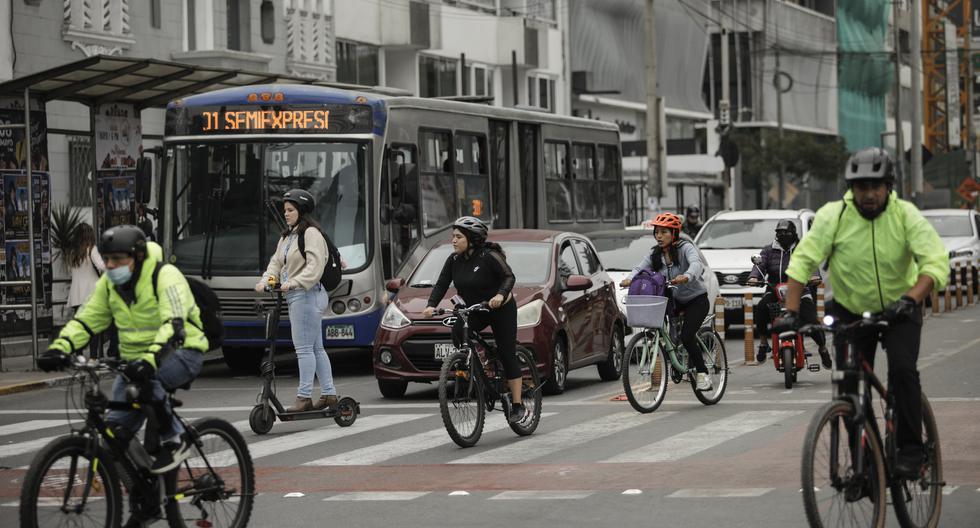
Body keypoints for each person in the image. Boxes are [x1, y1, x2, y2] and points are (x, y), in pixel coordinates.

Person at [774, 147, 948, 479]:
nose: (869, 194)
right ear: (851, 188)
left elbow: (934, 262)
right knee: (848, 385)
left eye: (876, 186)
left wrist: (911, 299)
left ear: (889, 186)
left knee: (902, 370)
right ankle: (863, 464)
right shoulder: (833, 216)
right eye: (861, 186)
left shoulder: (905, 215)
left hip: (901, 308)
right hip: (850, 309)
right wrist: (791, 311)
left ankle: (911, 451)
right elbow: (804, 260)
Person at [38, 225, 208, 474]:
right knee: (115, 434)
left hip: (182, 350)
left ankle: (175, 439)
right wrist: (60, 348)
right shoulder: (108, 284)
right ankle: (148, 495)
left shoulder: (164, 275)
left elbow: (174, 324)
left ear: (138, 257)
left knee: (150, 382)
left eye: (118, 259)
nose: (110, 266)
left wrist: (150, 359)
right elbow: (87, 319)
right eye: (106, 260)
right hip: (134, 361)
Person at [420, 217, 526, 423]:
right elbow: (442, 284)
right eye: (453, 236)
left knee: (506, 353)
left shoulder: (489, 256)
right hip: (474, 309)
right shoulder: (453, 260)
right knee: (458, 332)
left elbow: (509, 277)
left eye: (458, 237)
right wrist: (430, 305)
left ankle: (517, 404)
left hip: (499, 308)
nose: (453, 240)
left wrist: (500, 296)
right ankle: (472, 372)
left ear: (472, 239)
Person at [256, 188, 337, 413]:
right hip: (297, 295)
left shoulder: (311, 233)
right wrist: (266, 280)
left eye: (290, 210)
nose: (286, 214)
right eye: (285, 210)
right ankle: (330, 394)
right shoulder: (287, 237)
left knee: (303, 349)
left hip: (307, 294)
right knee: (315, 348)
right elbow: (276, 263)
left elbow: (315, 264)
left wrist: (295, 282)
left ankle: (304, 397)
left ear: (301, 211)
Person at [620, 213, 714, 391]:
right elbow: (640, 268)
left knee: (687, 336)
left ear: (674, 233)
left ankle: (703, 375)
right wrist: (630, 279)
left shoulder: (685, 248)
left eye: (664, 232)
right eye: (657, 232)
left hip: (696, 300)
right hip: (673, 300)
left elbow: (696, 263)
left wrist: (687, 276)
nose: (659, 236)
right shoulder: (655, 254)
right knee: (664, 331)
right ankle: (675, 357)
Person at [748, 219, 831, 368]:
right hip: (774, 289)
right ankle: (762, 343)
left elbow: (811, 265)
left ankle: (823, 348)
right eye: (780, 233)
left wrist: (814, 277)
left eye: (786, 233)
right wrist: (754, 277)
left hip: (800, 290)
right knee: (761, 308)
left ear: (793, 234)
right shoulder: (768, 250)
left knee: (811, 320)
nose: (783, 235)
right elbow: (759, 265)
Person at [64, 223, 106, 357]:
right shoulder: (91, 249)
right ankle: (93, 357)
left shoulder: (72, 252)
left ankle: (79, 356)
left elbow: (70, 272)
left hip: (77, 295)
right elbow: (101, 265)